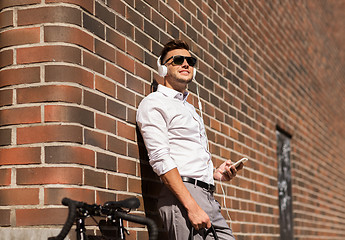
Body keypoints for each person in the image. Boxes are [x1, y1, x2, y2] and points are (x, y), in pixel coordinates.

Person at [136, 39, 243, 240]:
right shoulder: (154, 103)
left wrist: (215, 173)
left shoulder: (190, 109)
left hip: (207, 198)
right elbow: (161, 159)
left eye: (190, 61)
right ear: (162, 68)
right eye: (177, 60)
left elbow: (185, 156)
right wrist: (192, 206)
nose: (185, 64)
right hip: (184, 199)